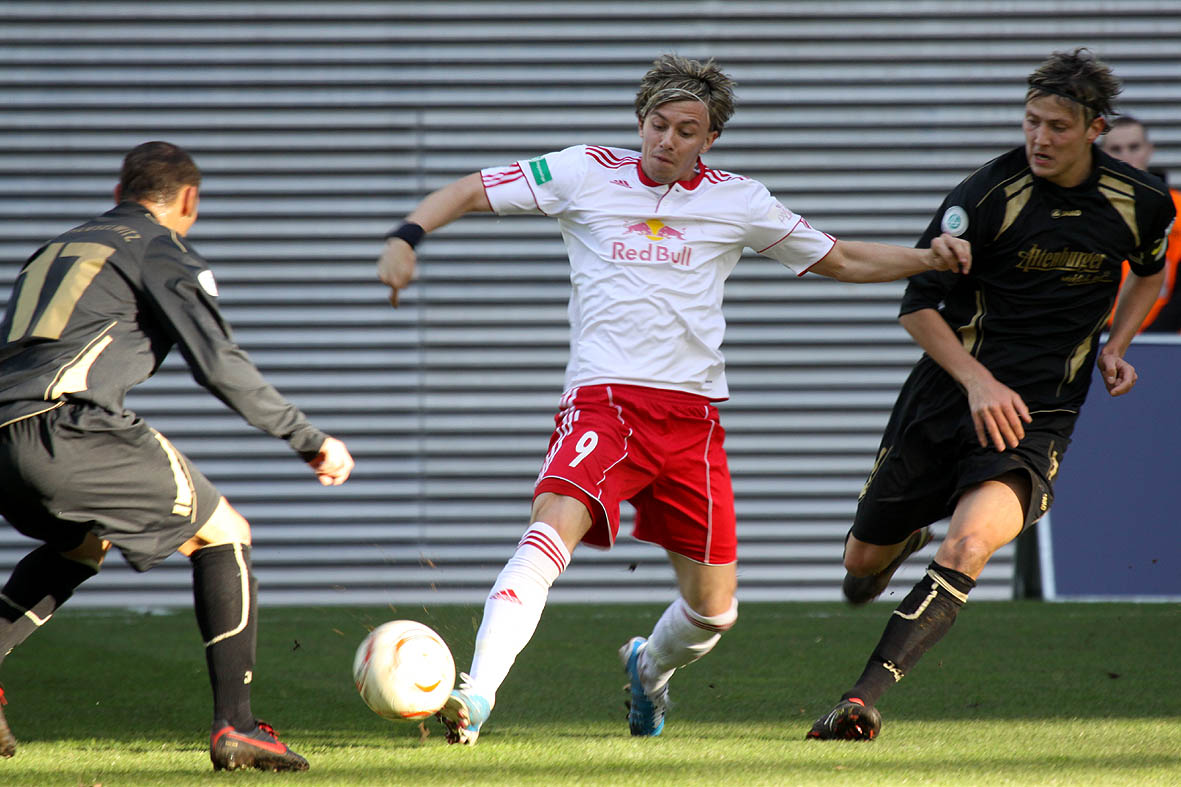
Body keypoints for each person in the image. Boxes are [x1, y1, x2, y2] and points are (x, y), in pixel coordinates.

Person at [376, 53, 971, 745]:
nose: (667, 140)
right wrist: (405, 235)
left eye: (686, 130)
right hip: (604, 403)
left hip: (691, 420)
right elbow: (471, 190)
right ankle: (475, 695)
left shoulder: (739, 200)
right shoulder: (583, 171)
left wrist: (926, 257)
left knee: (714, 611)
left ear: (709, 139)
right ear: (640, 120)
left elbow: (837, 259)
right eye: (657, 124)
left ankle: (647, 670)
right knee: (548, 531)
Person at [806, 48, 1175, 741]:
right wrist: (976, 382)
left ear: (1094, 128)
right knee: (859, 570)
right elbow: (918, 306)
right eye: (1031, 121)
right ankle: (898, 538)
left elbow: (1148, 275)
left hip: (1037, 415)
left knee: (969, 543)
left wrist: (1117, 343)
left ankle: (859, 701)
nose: (1038, 137)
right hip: (945, 401)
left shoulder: (1141, 201)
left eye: (1057, 126)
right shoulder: (983, 196)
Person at [0, 141, 355, 770]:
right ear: (188, 200)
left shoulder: (57, 247)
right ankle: (237, 727)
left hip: (4, 435)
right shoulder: (156, 246)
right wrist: (308, 437)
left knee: (82, 545)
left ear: (120, 190)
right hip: (68, 423)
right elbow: (218, 364)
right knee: (225, 533)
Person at [1101, 115, 1181, 332]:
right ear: (1102, 155)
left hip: (1166, 338)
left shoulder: (1178, 208)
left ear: (1149, 149)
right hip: (1103, 337)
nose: (1126, 157)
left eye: (1134, 147)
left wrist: (1157, 332)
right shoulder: (1089, 210)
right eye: (1116, 149)